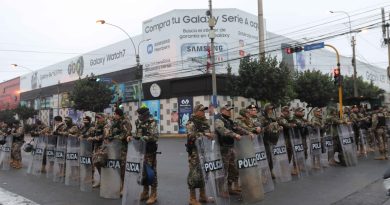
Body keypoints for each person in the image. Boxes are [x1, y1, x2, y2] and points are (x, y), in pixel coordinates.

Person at [215, 104, 251, 195]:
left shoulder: (230, 121)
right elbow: (222, 130)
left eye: (230, 110)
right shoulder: (218, 120)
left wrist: (248, 133)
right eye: (227, 110)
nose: (229, 111)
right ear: (222, 110)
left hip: (231, 147)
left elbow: (238, 128)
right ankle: (221, 190)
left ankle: (229, 187)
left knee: (233, 169)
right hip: (223, 148)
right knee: (223, 170)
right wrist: (234, 135)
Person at [185, 104, 214, 205]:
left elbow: (209, 133)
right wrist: (205, 134)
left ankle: (202, 195)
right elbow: (191, 135)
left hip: (204, 150)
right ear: (196, 111)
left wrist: (211, 136)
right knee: (194, 174)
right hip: (194, 152)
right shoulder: (191, 122)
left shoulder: (205, 122)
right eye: (201, 111)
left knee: (203, 173)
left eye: (204, 111)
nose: (203, 112)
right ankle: (192, 198)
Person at [129, 106, 158, 204]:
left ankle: (153, 194)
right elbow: (137, 134)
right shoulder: (138, 122)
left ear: (145, 114)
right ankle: (145, 192)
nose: (139, 116)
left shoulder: (152, 122)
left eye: (140, 114)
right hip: (140, 150)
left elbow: (154, 136)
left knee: (151, 172)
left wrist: (142, 138)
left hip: (149, 151)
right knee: (142, 172)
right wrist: (132, 137)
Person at [260, 103, 283, 178]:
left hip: (273, 140)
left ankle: (271, 171)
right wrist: (267, 127)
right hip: (265, 141)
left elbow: (276, 127)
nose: (271, 111)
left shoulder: (273, 118)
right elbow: (260, 129)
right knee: (266, 157)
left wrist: (279, 128)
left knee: (272, 157)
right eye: (269, 109)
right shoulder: (262, 118)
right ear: (266, 110)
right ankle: (263, 174)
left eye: (272, 109)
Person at [90, 113, 108, 188]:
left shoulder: (106, 125)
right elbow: (94, 134)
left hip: (103, 147)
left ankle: (105, 181)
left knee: (103, 164)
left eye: (99, 118)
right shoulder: (96, 125)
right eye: (97, 118)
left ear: (103, 118)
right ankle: (101, 181)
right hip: (96, 146)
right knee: (96, 163)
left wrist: (94, 138)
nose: (98, 119)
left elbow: (105, 136)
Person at [277, 106, 297, 174]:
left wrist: (292, 115)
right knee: (284, 154)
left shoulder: (288, 118)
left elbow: (295, 121)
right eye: (286, 111)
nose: (287, 112)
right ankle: (283, 168)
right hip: (283, 138)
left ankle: (286, 167)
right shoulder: (280, 118)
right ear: (282, 112)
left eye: (288, 111)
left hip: (289, 138)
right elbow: (286, 125)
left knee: (290, 152)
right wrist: (292, 124)